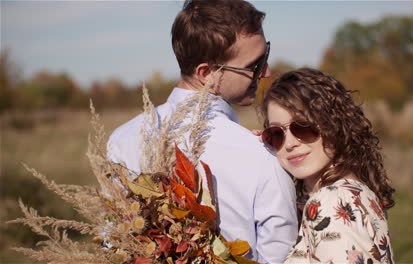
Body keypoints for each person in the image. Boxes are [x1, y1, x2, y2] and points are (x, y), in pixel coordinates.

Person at [107, 0, 298, 262]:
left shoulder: (121, 139)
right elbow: (282, 257)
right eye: (255, 65)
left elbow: (113, 244)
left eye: (266, 54)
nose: (266, 71)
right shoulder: (263, 155)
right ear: (206, 73)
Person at [258, 68, 395, 263]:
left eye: (303, 127)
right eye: (276, 134)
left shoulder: (332, 202)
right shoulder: (354, 192)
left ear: (334, 124)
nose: (289, 144)